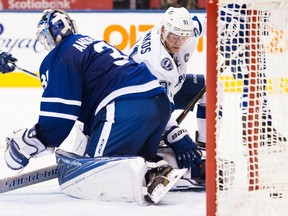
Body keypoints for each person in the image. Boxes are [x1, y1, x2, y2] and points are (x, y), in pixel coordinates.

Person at [0, 9, 188, 205]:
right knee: (133, 156)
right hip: (159, 106)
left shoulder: (60, 56)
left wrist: (32, 140)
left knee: (93, 174)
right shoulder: (90, 43)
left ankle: (145, 173)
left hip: (127, 109)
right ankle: (159, 166)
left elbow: (59, 118)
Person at [127, 6, 206, 188]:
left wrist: (232, 25)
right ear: (163, 30)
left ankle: (204, 145)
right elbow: (160, 107)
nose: (178, 43)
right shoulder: (153, 60)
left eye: (183, 38)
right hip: (141, 102)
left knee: (213, 88)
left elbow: (205, 24)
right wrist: (175, 133)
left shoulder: (182, 31)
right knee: (156, 140)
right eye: (174, 37)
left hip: (166, 91)